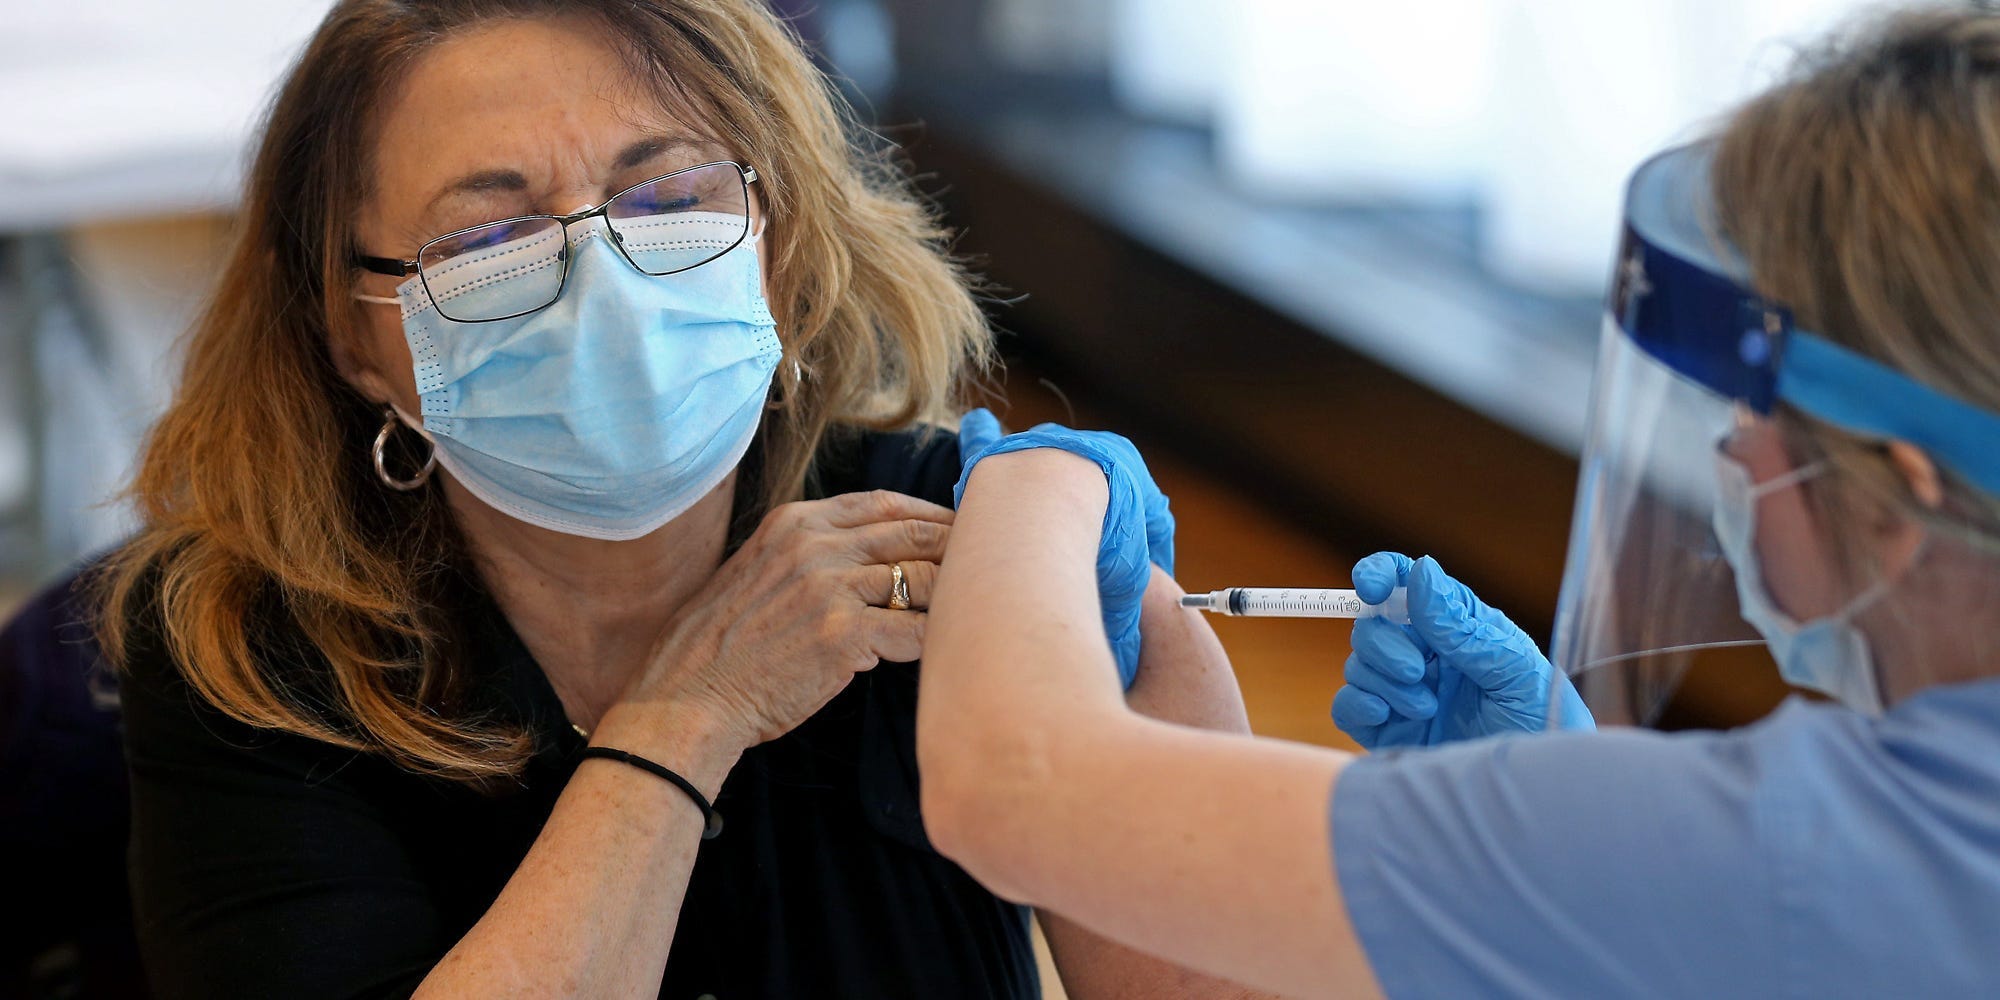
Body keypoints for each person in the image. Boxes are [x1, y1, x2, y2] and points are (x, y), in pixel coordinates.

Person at [91, 1, 1268, 996]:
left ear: (777, 233)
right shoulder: (250, 654)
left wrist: (1417, 809)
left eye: (665, 199)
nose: (604, 289)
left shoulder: (935, 536)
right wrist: (686, 718)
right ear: (352, 336)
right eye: (492, 241)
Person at [917, 7, 2000, 998]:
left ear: (1902, 496)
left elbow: (1011, 790)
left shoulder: (1804, 851)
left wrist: (1037, 484)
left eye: (1756, 412)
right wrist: (1565, 806)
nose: (1730, 444)